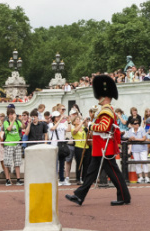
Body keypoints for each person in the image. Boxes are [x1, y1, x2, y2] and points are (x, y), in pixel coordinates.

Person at [66, 74, 131, 206]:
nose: (99, 98)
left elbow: (104, 127)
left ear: (106, 97)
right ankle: (79, 196)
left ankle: (124, 197)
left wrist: (90, 125)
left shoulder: (106, 111)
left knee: (114, 174)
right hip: (100, 147)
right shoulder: (105, 110)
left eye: (101, 96)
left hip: (104, 147)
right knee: (90, 173)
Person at [49, 110, 71, 186]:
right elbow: (53, 128)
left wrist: (69, 122)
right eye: (57, 116)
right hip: (54, 146)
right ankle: (55, 179)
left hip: (61, 146)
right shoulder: (50, 124)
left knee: (62, 164)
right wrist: (60, 120)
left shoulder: (62, 125)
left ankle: (62, 179)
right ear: (54, 118)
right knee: (55, 164)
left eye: (59, 116)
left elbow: (69, 130)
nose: (59, 117)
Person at [2, 108, 24, 186]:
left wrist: (23, 120)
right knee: (7, 163)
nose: (12, 115)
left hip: (17, 143)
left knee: (17, 162)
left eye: (13, 114)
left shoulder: (17, 121)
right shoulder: (6, 122)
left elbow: (23, 127)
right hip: (9, 144)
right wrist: (13, 120)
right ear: (8, 115)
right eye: (11, 114)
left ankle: (18, 179)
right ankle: (7, 179)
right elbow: (9, 128)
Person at [126, 118, 149, 183]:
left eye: (138, 123)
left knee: (144, 162)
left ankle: (146, 177)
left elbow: (144, 138)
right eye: (135, 123)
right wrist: (131, 139)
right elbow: (129, 140)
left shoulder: (142, 129)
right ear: (132, 124)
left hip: (143, 149)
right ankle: (140, 177)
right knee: (137, 163)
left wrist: (135, 139)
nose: (137, 125)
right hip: (135, 149)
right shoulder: (130, 131)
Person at [71, 115, 91, 185]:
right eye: (77, 120)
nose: (78, 120)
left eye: (79, 119)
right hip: (78, 147)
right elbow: (75, 131)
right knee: (79, 163)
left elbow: (88, 128)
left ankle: (84, 179)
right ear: (73, 122)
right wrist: (82, 122)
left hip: (86, 147)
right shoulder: (73, 129)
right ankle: (78, 178)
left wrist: (86, 121)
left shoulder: (83, 128)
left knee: (86, 164)